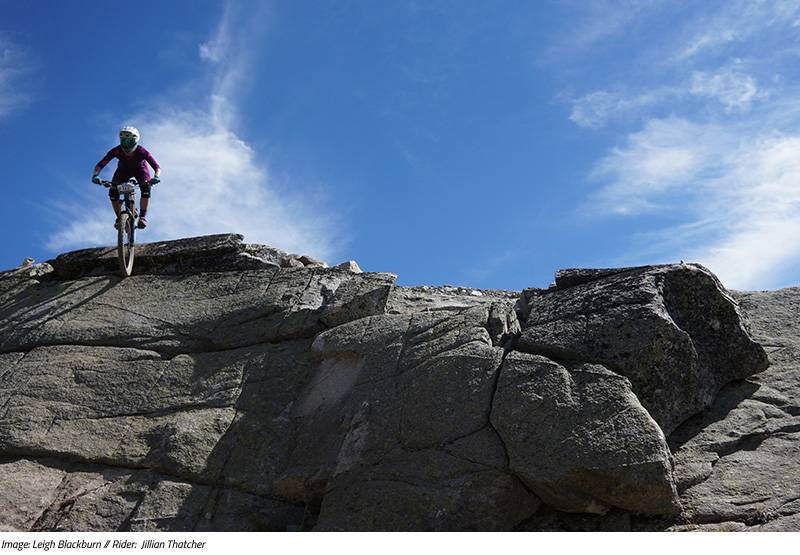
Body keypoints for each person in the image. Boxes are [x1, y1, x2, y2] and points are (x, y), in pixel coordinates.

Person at [91, 126, 161, 229]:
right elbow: (101, 164)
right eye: (124, 141)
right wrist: (95, 175)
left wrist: (156, 177)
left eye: (129, 141)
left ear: (135, 140)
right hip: (123, 171)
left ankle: (142, 217)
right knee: (113, 193)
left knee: (146, 188)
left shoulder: (142, 151)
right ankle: (119, 218)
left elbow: (156, 167)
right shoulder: (116, 151)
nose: (126, 144)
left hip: (140, 171)